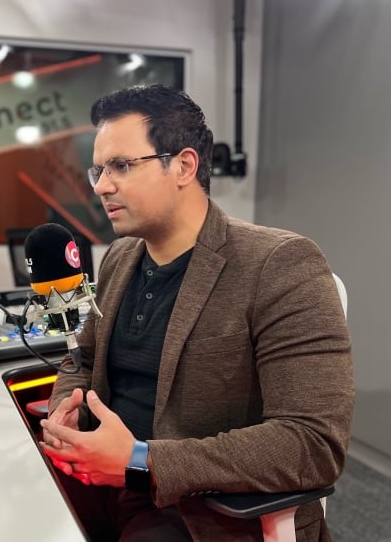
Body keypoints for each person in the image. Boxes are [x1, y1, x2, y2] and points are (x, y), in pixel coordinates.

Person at [39, 84, 353, 541]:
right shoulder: (119, 257)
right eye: (99, 169)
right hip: (105, 488)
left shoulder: (280, 264)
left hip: (203, 515)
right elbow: (80, 359)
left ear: (184, 165)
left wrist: (141, 460)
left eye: (122, 166)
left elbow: (312, 443)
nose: (103, 185)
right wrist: (63, 412)